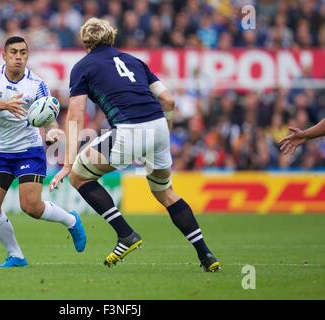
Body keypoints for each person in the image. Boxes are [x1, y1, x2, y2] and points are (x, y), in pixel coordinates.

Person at [50, 18, 220, 272]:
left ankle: (126, 234)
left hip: (129, 131)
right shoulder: (135, 61)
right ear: (111, 37)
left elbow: (75, 115)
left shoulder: (82, 66)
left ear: (85, 42)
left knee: (79, 177)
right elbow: (168, 100)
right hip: (159, 127)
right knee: (165, 192)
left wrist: (67, 162)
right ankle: (206, 255)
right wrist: (164, 135)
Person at [0, 36, 86, 268]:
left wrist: (52, 132)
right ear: (4, 55)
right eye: (13, 52)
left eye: (23, 52)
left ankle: (72, 221)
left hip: (28, 151)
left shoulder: (37, 84)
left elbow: (49, 117)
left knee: (31, 207)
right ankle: (16, 256)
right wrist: (4, 104)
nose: (18, 57)